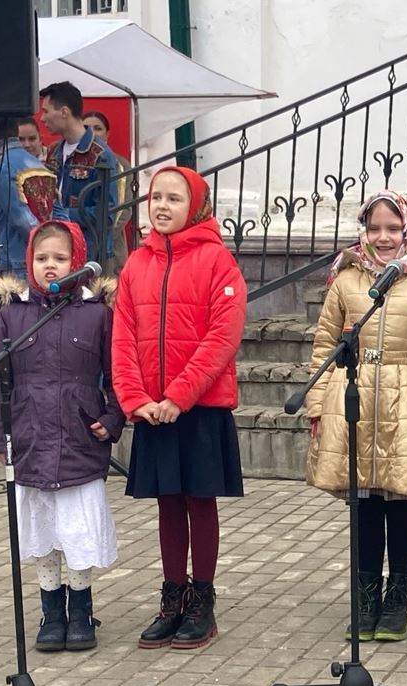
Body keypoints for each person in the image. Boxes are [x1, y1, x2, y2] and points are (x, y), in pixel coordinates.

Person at [307, 190, 407, 642]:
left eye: (393, 228)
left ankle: (398, 597)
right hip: (354, 399)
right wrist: (317, 405)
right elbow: (324, 344)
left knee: (400, 504)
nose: (384, 237)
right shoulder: (346, 279)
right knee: (364, 504)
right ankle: (366, 593)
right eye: (375, 228)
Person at [112, 167, 247, 651]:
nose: (162, 206)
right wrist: (135, 399)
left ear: (197, 206)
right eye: (155, 198)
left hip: (199, 407)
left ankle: (202, 602)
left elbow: (221, 338)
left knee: (198, 500)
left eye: (174, 198)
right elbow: (123, 336)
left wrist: (179, 396)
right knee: (168, 502)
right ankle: (172, 597)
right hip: (152, 410)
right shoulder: (135, 265)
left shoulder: (218, 262)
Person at [0, 220, 123, 651]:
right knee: (43, 530)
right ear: (29, 262)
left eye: (60, 259)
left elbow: (117, 374)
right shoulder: (13, 314)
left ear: (77, 263)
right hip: (30, 438)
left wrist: (113, 418)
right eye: (42, 258)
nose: (50, 266)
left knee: (77, 529)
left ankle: (80, 609)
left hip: (80, 439)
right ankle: (51, 610)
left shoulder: (97, 313)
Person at [40, 81, 117, 267]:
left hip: (89, 254)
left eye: (46, 111)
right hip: (57, 250)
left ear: (64, 112)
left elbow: (107, 213)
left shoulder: (100, 155)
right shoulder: (54, 151)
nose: (42, 118)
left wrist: (62, 215)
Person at [0, 129, 60, 280]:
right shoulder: (40, 165)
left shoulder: (3, 165)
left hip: (17, 255)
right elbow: (59, 212)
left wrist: (43, 243)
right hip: (44, 253)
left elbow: (21, 219)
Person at [83, 110, 132, 277]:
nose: (92, 132)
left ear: (107, 133)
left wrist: (104, 235)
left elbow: (124, 210)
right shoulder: (76, 162)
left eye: (98, 128)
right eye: (87, 127)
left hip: (112, 245)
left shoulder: (121, 164)